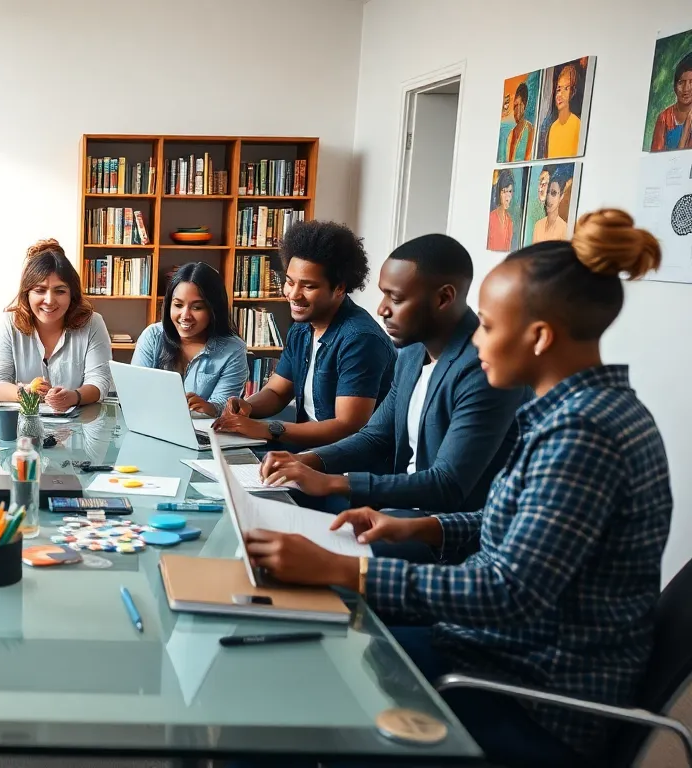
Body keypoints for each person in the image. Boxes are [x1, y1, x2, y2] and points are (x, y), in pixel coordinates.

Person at [243, 209, 670, 768]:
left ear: (539, 337)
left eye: (490, 325)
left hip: (533, 694)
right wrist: (426, 525)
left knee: (300, 695)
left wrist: (346, 569)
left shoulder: (584, 433)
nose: (478, 338)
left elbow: (508, 591)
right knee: (313, 655)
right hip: (501, 653)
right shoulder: (575, 411)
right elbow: (518, 531)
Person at [256, 234, 528, 517]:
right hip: (400, 510)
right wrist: (306, 461)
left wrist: (332, 483)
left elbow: (447, 484)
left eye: (395, 298)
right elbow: (375, 436)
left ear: (444, 298)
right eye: (383, 294)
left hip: (449, 527)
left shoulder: (484, 368)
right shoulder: (411, 354)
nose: (382, 309)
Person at [212, 221, 395, 448]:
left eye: (308, 286)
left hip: (343, 465)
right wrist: (248, 406)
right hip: (304, 452)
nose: (293, 294)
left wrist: (266, 428)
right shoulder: (302, 328)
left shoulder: (360, 339)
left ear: (339, 288)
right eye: (289, 282)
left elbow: (347, 426)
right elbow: (277, 392)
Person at [0, 238, 113, 410]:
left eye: (60, 291)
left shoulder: (93, 323)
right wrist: (24, 392)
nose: (49, 301)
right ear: (27, 294)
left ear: (72, 295)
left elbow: (100, 382)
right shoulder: (9, 323)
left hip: (77, 427)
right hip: (20, 427)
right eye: (39, 290)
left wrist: (74, 396)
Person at [130, 262, 247, 417]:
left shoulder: (233, 349)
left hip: (203, 433)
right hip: (151, 425)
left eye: (197, 307)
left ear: (214, 309)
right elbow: (135, 392)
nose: (185, 315)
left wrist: (209, 408)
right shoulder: (152, 336)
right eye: (178, 305)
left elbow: (225, 406)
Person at [651, 51, 692, 152]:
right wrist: (685, 131)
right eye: (681, 82)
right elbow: (656, 157)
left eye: (691, 82)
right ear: (674, 86)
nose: (686, 89)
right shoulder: (664, 118)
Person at [544, 63, 583, 158]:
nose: (560, 94)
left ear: (572, 93)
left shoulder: (577, 125)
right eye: (558, 89)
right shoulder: (552, 128)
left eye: (566, 89)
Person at [532, 166, 571, 243]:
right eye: (547, 192)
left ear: (561, 196)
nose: (549, 198)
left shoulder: (564, 229)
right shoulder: (538, 225)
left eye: (553, 193)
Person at [486, 170, 516, 252]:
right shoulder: (491, 218)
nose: (508, 196)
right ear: (499, 193)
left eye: (510, 191)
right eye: (504, 191)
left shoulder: (510, 222)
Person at [504, 81, 534, 162]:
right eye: (515, 106)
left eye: (519, 105)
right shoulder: (511, 134)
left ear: (524, 106)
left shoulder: (529, 129)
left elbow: (528, 159)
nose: (515, 110)